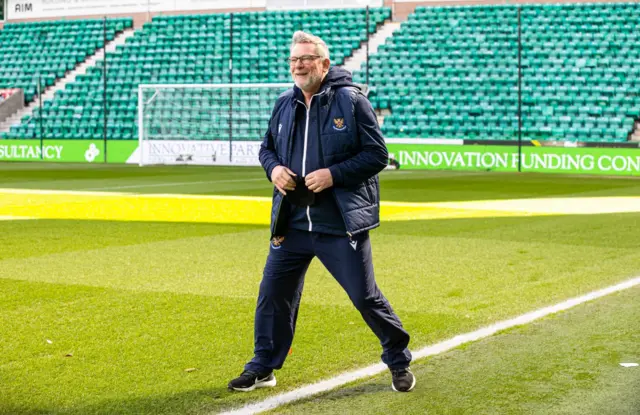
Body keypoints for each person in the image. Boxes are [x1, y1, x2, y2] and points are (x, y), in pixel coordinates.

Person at [228, 31, 414, 393]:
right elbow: (266, 148)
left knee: (364, 296)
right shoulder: (284, 102)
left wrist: (333, 175)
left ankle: (398, 359)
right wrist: (273, 169)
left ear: (324, 64)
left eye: (307, 59)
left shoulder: (351, 101)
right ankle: (263, 366)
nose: (299, 65)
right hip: (292, 223)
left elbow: (378, 155)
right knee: (272, 294)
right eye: (294, 59)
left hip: (339, 223)